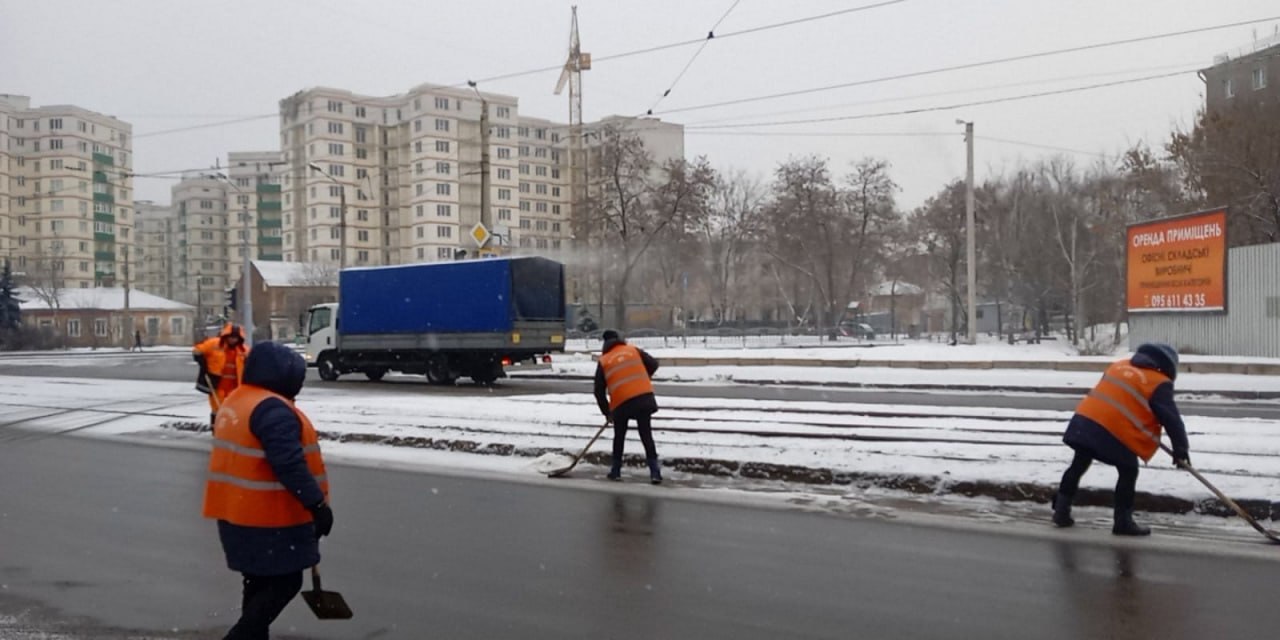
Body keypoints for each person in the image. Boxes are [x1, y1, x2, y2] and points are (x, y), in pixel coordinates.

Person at [202, 341, 333, 639]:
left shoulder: (239, 400)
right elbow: (287, 462)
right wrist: (317, 506)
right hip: (268, 520)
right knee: (284, 583)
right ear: (282, 377)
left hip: (236, 516)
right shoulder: (272, 409)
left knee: (258, 583)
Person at [1051, 343, 1190, 536]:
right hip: (1112, 430)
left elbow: (1118, 397)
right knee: (1128, 471)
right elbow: (1171, 418)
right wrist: (1181, 449)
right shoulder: (1158, 381)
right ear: (1168, 365)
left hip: (1085, 420)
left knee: (1079, 463)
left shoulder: (1119, 365)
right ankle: (1122, 522)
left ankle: (1061, 511)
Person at [593, 329, 662, 484]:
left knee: (619, 436)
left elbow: (598, 391)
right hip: (643, 397)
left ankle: (616, 471)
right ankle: (655, 473)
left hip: (621, 402)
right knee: (646, 435)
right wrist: (643, 377)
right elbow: (654, 364)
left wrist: (607, 412)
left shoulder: (604, 360)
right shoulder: (633, 350)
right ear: (619, 338)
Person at [194, 324, 249, 427]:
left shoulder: (243, 350)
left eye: (235, 338)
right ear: (226, 336)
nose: (233, 340)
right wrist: (202, 361)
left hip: (235, 387)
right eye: (231, 337)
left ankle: (230, 429)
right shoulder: (214, 344)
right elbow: (198, 350)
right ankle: (216, 429)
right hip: (218, 384)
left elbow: (251, 361)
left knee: (233, 409)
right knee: (217, 409)